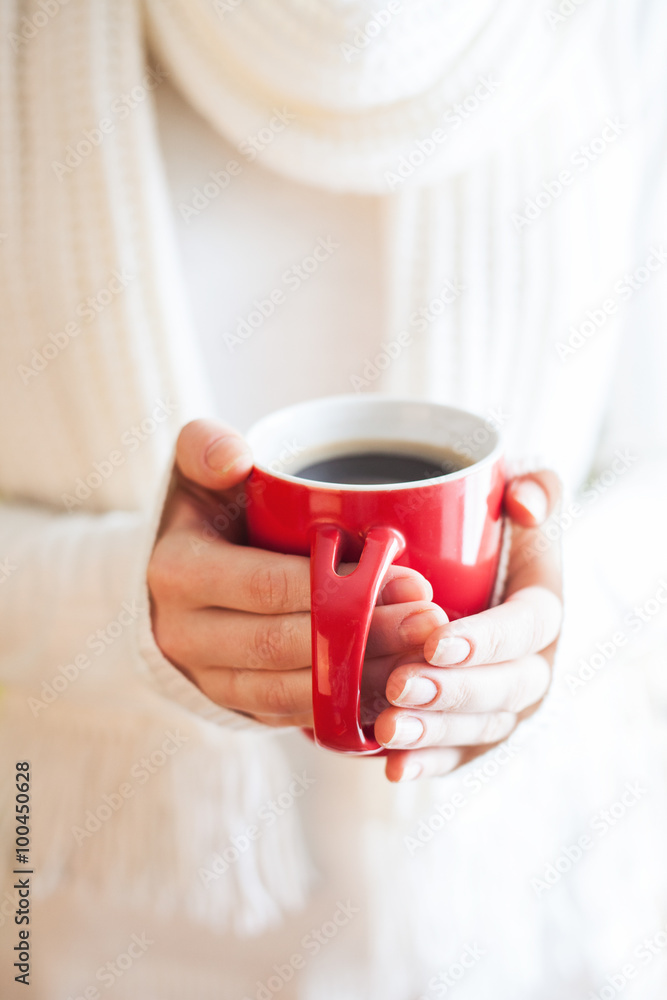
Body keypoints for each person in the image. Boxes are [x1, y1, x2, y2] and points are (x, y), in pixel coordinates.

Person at [1, 1, 666, 998]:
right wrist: (122, 608)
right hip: (115, 943)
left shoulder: (628, 32)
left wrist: (559, 625)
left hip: (538, 927)